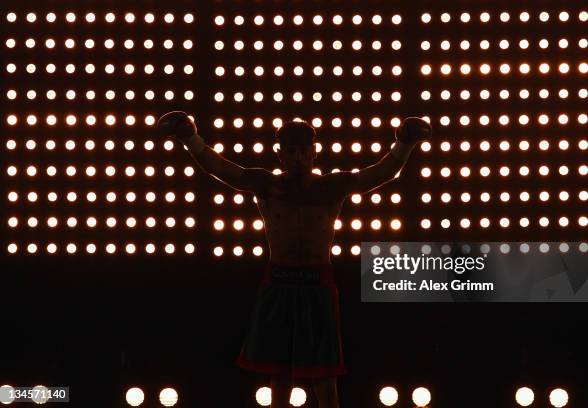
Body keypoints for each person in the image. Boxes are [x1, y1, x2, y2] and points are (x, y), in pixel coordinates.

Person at [157, 112, 432, 407]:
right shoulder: (266, 185)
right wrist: (190, 138)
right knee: (279, 372)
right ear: (280, 155)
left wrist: (405, 144)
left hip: (317, 285)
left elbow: (381, 173)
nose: (298, 157)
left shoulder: (331, 187)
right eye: (291, 151)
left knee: (324, 375)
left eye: (303, 150)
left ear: (314, 152)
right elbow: (221, 168)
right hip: (279, 283)